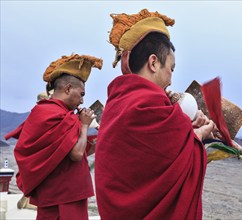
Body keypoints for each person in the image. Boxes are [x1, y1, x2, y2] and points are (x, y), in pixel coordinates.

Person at [95, 9, 215, 219]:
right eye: (171, 68)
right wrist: (198, 136)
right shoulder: (148, 104)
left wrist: (189, 132)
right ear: (153, 63)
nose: (170, 79)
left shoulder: (117, 102)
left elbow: (153, 160)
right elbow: (170, 154)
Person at [5, 54, 103, 220]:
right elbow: (77, 154)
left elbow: (79, 149)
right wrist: (84, 125)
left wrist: (103, 134)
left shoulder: (45, 112)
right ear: (67, 89)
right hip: (66, 196)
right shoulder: (57, 115)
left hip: (55, 195)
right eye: (81, 93)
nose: (82, 100)